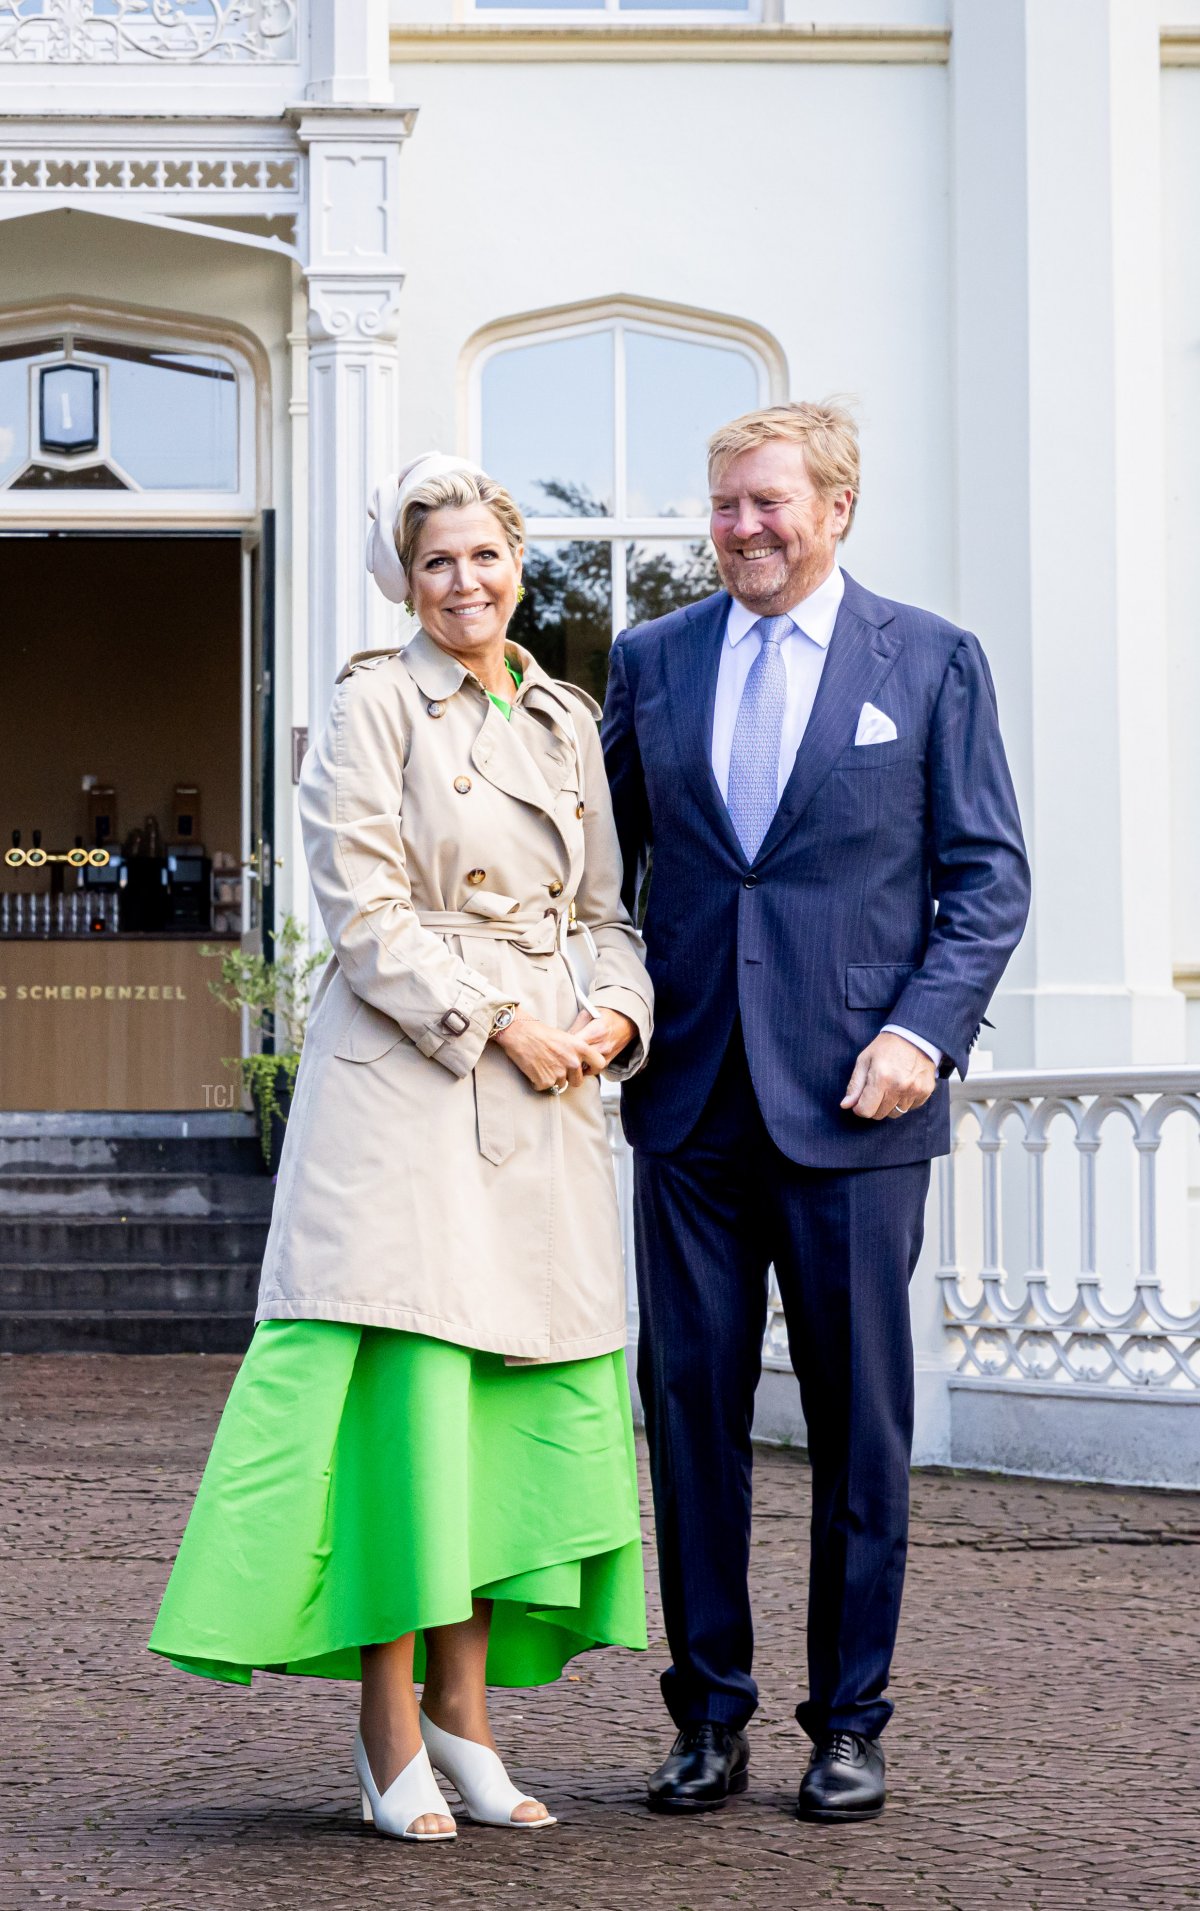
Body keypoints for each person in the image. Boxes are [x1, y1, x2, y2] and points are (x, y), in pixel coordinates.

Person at [150, 454, 653, 1844]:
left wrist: (614, 1015)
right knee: (410, 1413)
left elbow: (610, 909)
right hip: (415, 1088)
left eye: (486, 556)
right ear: (405, 576)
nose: (466, 582)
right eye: (437, 561)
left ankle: (465, 1721)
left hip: (551, 1094)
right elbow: (362, 911)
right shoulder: (372, 705)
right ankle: (386, 1734)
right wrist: (502, 1020)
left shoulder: (565, 715)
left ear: (519, 562)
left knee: (502, 1414)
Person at [602, 401, 1030, 1824]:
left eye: (770, 505)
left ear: (837, 507)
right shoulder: (651, 662)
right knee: (687, 1418)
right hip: (689, 1104)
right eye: (726, 506)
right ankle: (706, 1717)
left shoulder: (931, 660)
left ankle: (849, 1722)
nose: (743, 530)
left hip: (859, 1106)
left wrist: (924, 1032)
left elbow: (987, 879)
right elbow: (601, 872)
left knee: (860, 1430)